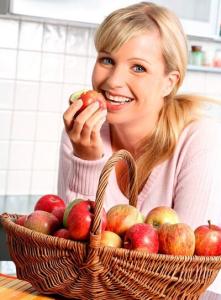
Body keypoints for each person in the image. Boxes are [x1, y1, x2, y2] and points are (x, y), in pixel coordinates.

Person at [58, 2, 221, 299]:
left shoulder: (198, 138)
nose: (113, 81)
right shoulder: (82, 130)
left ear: (168, 83)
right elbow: (77, 251)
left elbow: (179, 266)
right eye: (107, 60)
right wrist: (87, 159)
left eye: (138, 67)